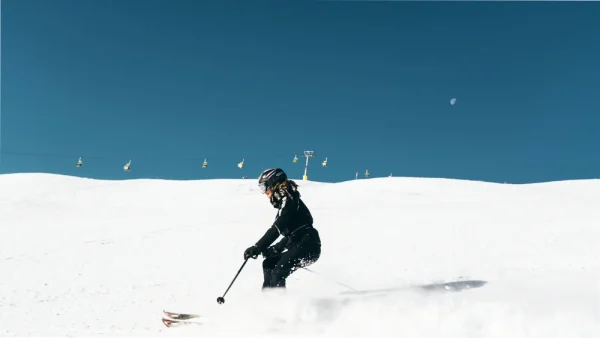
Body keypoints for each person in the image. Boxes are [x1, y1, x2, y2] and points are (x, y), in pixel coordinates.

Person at [244, 168, 321, 290]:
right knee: (269, 263)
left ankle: (278, 304)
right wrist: (273, 250)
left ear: (273, 183)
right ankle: (267, 301)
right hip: (301, 243)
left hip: (308, 245)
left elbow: (277, 228)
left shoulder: (289, 199)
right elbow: (292, 235)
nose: (264, 192)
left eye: (264, 187)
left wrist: (258, 247)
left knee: (278, 272)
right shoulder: (285, 201)